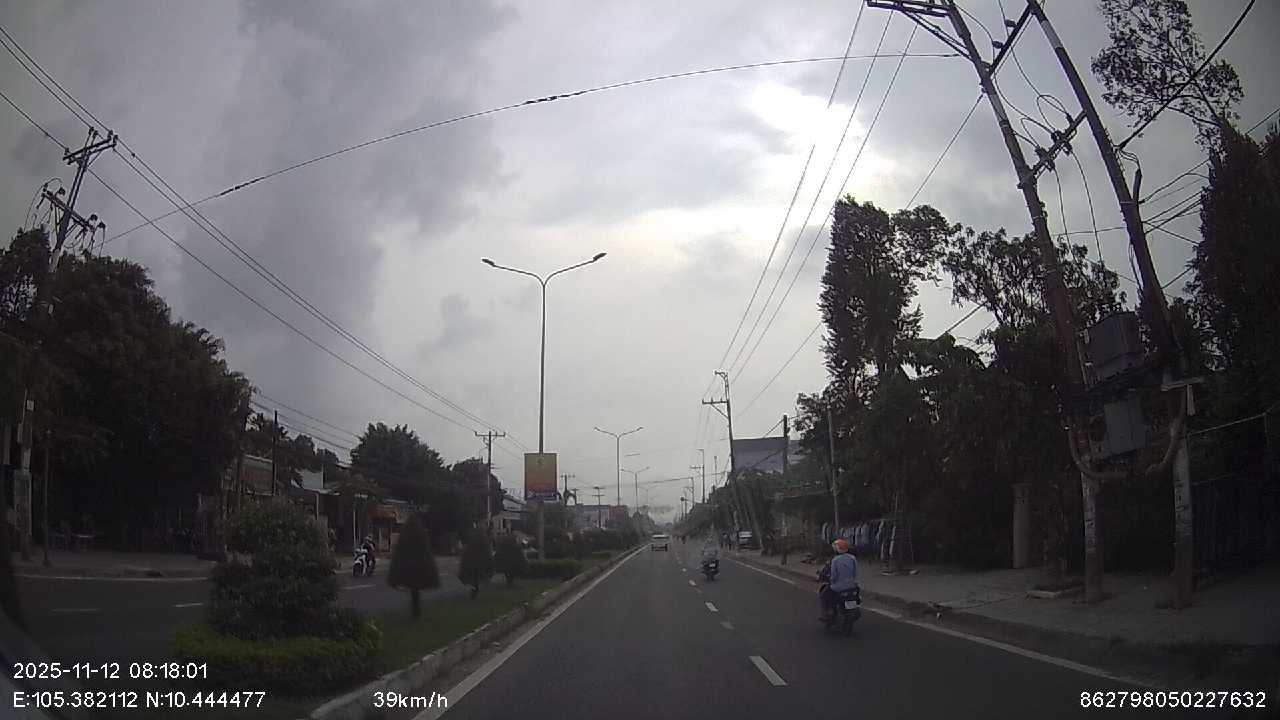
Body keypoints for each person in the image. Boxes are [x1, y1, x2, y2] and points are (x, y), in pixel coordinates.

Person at [819, 538, 858, 621]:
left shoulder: (835, 560)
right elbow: (855, 573)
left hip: (838, 587)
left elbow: (834, 576)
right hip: (852, 585)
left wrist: (831, 581)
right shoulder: (852, 558)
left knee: (823, 595)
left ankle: (827, 614)